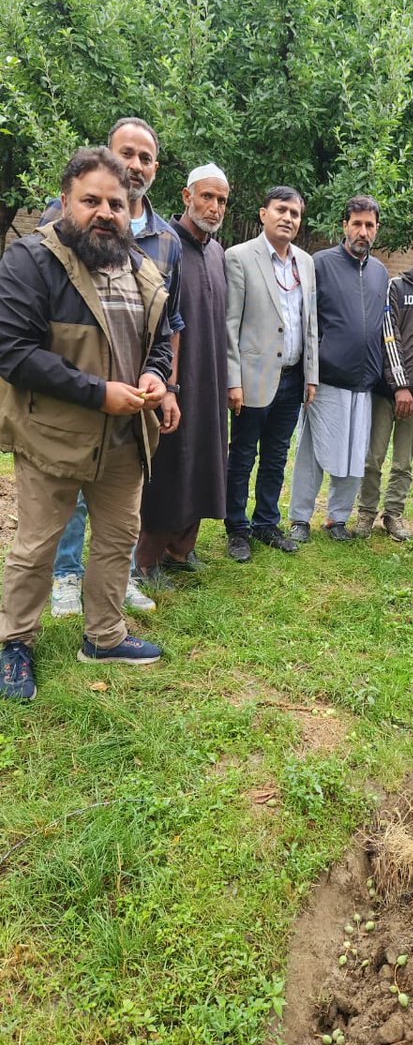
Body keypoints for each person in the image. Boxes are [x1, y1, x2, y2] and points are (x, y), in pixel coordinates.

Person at [0, 147, 172, 701]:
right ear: (66, 201)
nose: (105, 212)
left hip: (125, 440)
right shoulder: (31, 261)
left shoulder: (143, 269)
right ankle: (14, 643)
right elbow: (14, 351)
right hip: (53, 437)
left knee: (117, 541)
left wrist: (157, 377)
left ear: (132, 210)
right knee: (37, 547)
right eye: (91, 200)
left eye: (116, 204)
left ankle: (104, 634)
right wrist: (98, 394)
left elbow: (162, 342)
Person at [46, 117, 183, 615]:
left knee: (122, 494)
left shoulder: (167, 240)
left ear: (155, 169)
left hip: (135, 391)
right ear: (108, 154)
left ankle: (117, 577)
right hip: (76, 385)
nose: (135, 164)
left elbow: (172, 321)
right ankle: (64, 577)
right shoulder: (66, 220)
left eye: (145, 158)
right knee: (74, 490)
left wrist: (167, 386)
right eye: (126, 152)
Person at [132, 164, 229, 583]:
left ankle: (181, 549)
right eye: (206, 196)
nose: (214, 206)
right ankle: (145, 560)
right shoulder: (165, 246)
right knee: (169, 468)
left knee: (205, 460)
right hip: (171, 379)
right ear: (186, 196)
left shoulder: (217, 251)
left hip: (210, 379)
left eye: (222, 200)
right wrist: (168, 382)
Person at [224, 186, 318, 562]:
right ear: (263, 214)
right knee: (243, 455)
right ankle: (236, 528)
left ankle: (266, 522)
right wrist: (233, 381)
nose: (288, 219)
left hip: (293, 377)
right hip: (252, 378)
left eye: (295, 213)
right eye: (281, 210)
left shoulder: (305, 263)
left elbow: (308, 322)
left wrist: (311, 374)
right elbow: (230, 325)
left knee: (277, 455)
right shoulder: (240, 258)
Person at [289, 196, 389, 542]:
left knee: (354, 453)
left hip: (364, 383)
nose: (363, 231)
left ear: (377, 229)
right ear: (344, 225)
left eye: (370, 225)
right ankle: (300, 518)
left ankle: (338, 519)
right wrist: (310, 371)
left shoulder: (380, 273)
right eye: (357, 223)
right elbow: (306, 319)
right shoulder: (321, 264)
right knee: (312, 452)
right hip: (325, 379)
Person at [354, 225, 413, 541]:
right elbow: (388, 335)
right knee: (373, 457)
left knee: (403, 463)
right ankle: (366, 513)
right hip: (387, 392)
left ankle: (393, 514)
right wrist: (400, 385)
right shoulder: (397, 287)